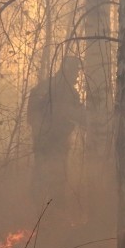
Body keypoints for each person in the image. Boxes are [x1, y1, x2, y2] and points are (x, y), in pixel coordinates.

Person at [27, 56, 83, 206]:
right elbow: (33, 114)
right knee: (53, 178)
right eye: (75, 70)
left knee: (46, 177)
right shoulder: (54, 89)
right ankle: (48, 215)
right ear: (67, 69)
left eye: (77, 71)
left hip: (51, 142)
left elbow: (78, 115)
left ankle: (43, 213)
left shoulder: (54, 87)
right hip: (51, 143)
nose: (77, 74)